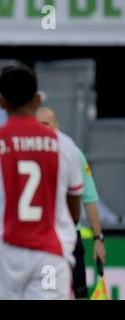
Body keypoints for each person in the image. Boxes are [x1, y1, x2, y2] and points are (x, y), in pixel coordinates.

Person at [0, 65, 83, 300]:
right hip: (50, 255)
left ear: (2, 103)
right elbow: (75, 210)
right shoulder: (64, 145)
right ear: (37, 99)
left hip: (6, 256)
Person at [36, 106, 106, 299]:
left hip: (68, 237)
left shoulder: (72, 153)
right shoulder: (27, 152)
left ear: (57, 125)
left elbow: (89, 198)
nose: (42, 129)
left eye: (46, 125)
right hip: (37, 239)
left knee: (77, 293)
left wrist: (98, 239)